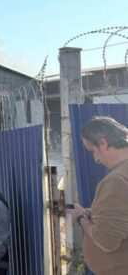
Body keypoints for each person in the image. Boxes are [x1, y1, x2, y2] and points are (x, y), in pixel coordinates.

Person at [66, 116, 128, 275]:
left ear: (103, 143)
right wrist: (94, 213)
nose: (96, 159)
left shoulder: (117, 181)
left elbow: (105, 241)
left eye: (93, 151)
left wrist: (81, 217)